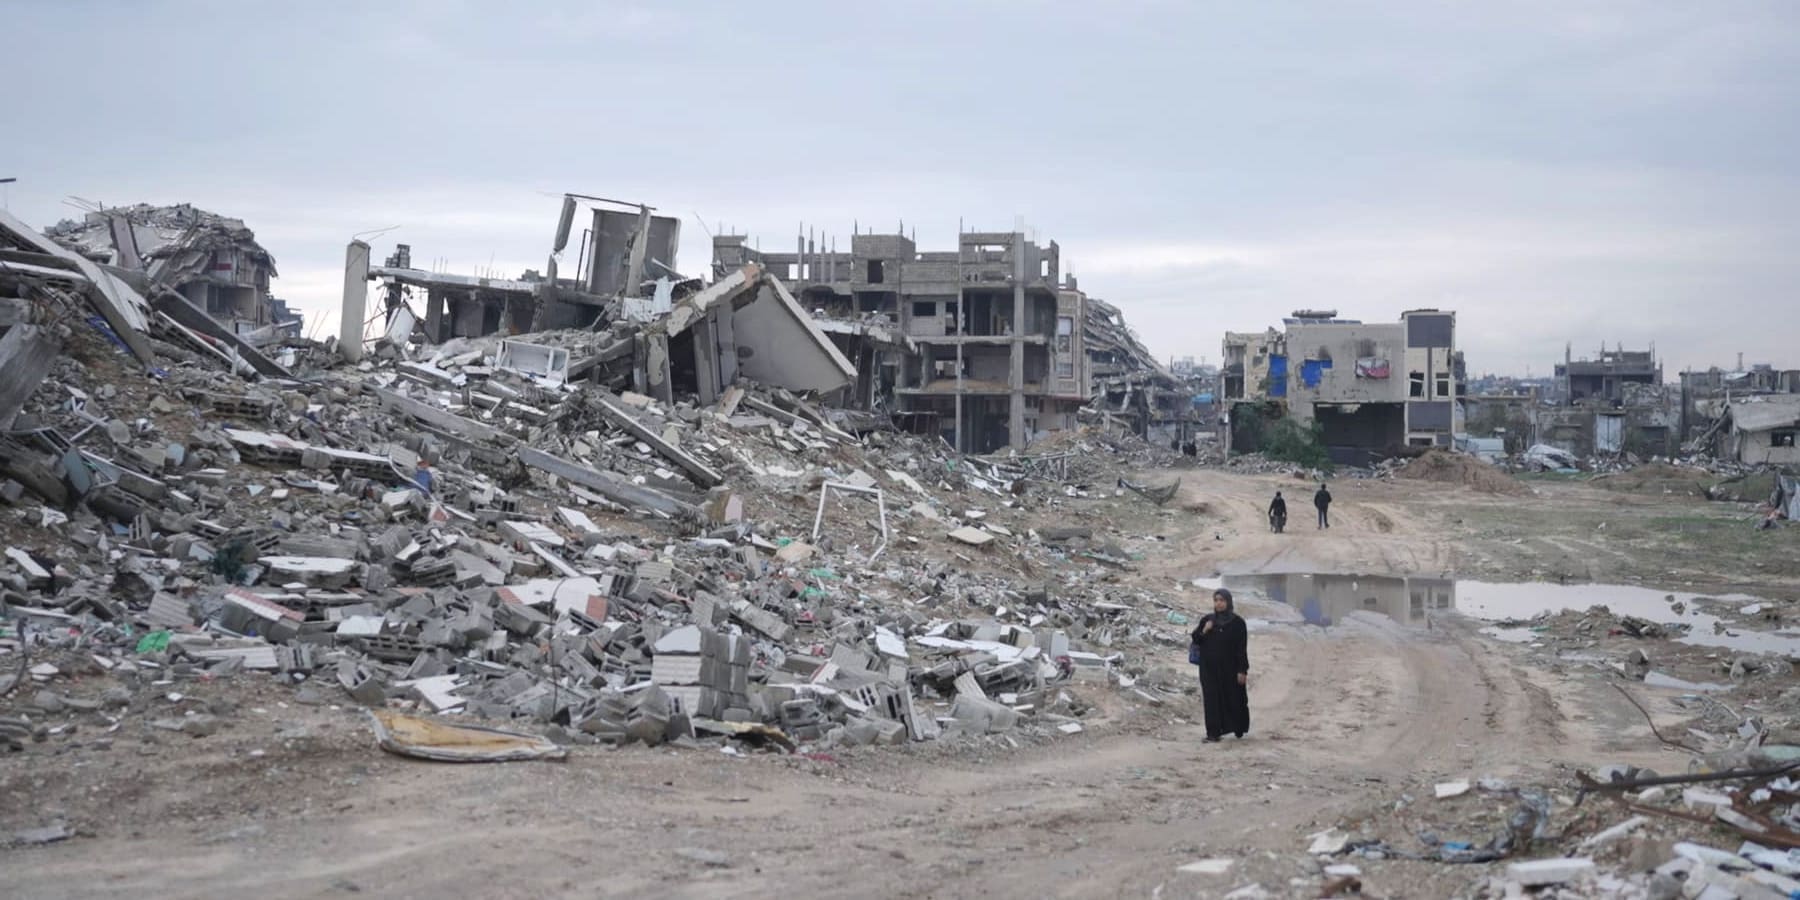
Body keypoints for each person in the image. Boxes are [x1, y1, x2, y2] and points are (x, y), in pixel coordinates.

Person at [1191, 588, 1250, 742]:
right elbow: (1196, 639)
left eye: (1222, 600)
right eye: (1216, 600)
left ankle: (1238, 727)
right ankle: (1213, 733)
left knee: (1234, 698)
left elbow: (1241, 649)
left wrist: (1242, 670)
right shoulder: (1208, 620)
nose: (1219, 603)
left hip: (1230, 669)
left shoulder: (1238, 623)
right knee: (1211, 700)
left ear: (1228, 602)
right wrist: (1205, 630)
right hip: (1209, 669)